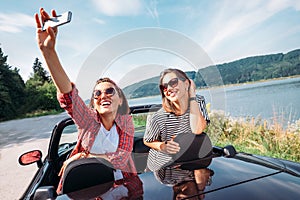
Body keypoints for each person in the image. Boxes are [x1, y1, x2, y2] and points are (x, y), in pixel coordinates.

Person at [35, 8, 143, 199]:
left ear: (120, 99)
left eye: (110, 91)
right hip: (87, 190)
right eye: (97, 94)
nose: (103, 96)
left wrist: (84, 157)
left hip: (126, 187)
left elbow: (121, 159)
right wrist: (49, 52)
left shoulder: (126, 121)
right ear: (93, 102)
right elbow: (69, 96)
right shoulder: (88, 121)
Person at [143, 68, 212, 193]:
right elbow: (147, 140)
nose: (168, 88)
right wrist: (162, 146)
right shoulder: (157, 116)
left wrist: (192, 97)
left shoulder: (198, 101)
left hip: (193, 160)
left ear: (186, 83)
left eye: (173, 82)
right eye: (164, 87)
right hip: (166, 166)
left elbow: (197, 129)